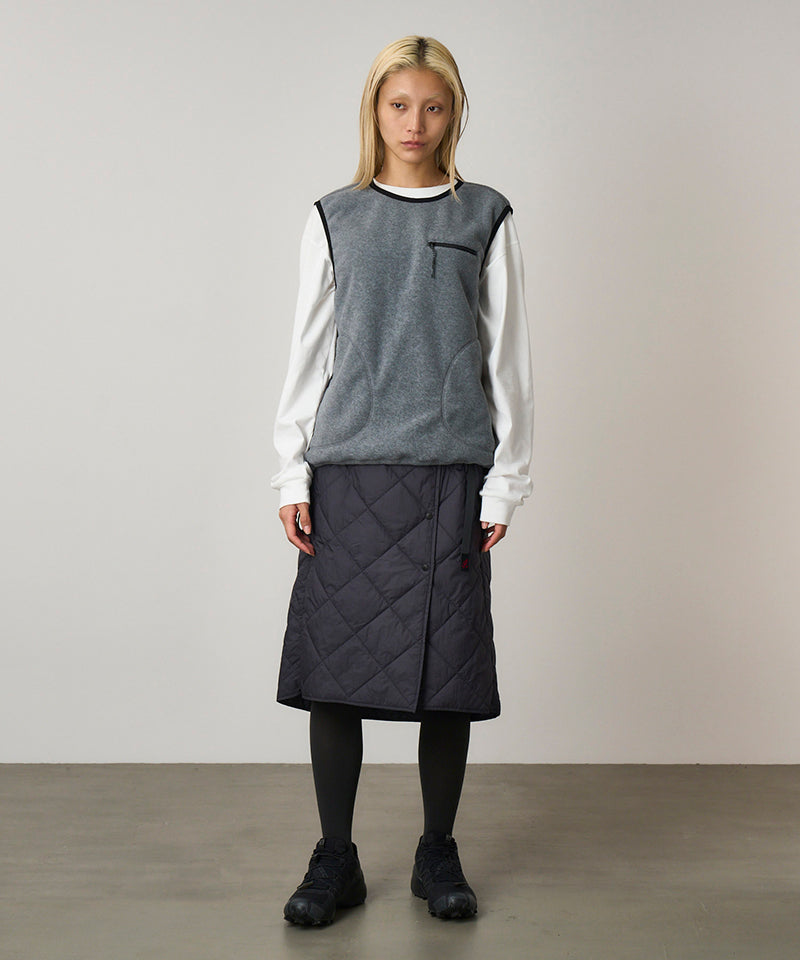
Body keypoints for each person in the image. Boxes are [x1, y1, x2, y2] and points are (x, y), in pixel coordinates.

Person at [269, 34, 534, 926]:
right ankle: (335, 859)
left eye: (432, 106)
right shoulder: (334, 216)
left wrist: (506, 482)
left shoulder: (486, 215)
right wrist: (289, 473)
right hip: (348, 473)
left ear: (454, 114)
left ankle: (437, 852)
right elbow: (307, 353)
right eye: (398, 105)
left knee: (447, 672)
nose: (414, 123)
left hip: (451, 471)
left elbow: (510, 363)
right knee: (335, 671)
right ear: (374, 111)